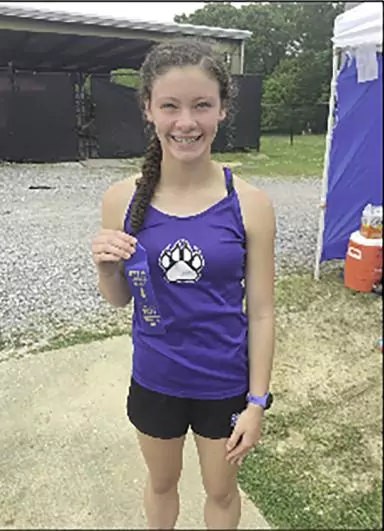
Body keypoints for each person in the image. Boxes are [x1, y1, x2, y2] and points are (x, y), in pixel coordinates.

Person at [90, 37, 277, 530]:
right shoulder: (122, 200)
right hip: (156, 379)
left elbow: (261, 312)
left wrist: (257, 402)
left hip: (224, 384)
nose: (186, 122)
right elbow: (119, 299)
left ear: (222, 109)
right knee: (161, 484)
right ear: (148, 109)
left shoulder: (250, 204)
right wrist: (107, 270)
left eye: (202, 105)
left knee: (221, 491)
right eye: (170, 106)